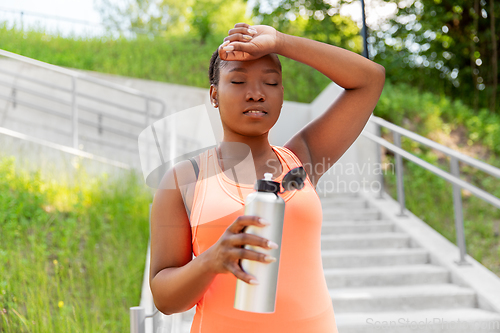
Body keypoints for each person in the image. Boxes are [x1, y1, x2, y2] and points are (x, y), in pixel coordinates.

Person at [149, 22, 385, 332]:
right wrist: (211, 260)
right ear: (214, 94)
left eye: (271, 83)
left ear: (282, 95)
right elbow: (165, 300)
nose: (256, 94)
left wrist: (280, 41)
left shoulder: (303, 160)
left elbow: (369, 79)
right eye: (238, 81)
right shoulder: (184, 180)